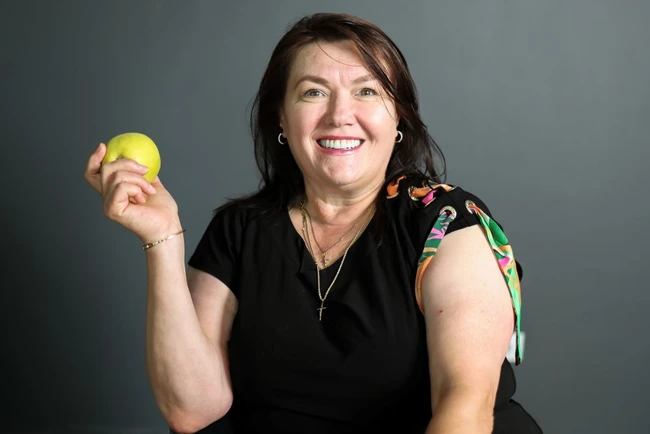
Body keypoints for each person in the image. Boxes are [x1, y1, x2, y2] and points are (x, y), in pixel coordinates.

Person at [84, 12, 542, 434]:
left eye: (367, 91)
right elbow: (191, 409)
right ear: (282, 119)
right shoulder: (240, 230)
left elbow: (465, 408)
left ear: (398, 116)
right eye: (313, 92)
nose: (340, 115)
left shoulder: (446, 223)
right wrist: (162, 239)